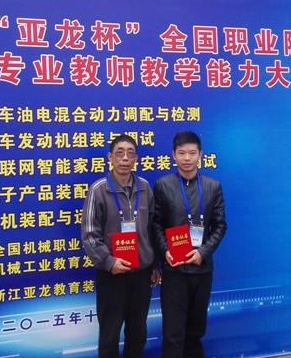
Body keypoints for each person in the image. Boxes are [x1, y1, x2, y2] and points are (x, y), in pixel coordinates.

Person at [81, 134, 160, 357]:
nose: (125, 158)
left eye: (130, 153)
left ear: (136, 158)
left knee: (138, 332)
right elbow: (89, 234)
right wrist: (109, 261)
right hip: (112, 275)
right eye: (119, 153)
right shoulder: (99, 189)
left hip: (141, 274)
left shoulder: (145, 187)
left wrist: (154, 264)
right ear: (110, 157)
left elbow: (152, 228)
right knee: (110, 334)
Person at [152, 131, 227, 358]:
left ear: (200, 155)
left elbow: (220, 226)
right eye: (182, 153)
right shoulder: (163, 185)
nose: (187, 158)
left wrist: (203, 252)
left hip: (202, 270)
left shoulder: (213, 186)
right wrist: (165, 251)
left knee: (195, 331)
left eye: (192, 153)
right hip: (174, 270)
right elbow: (155, 224)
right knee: (173, 333)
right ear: (173, 155)